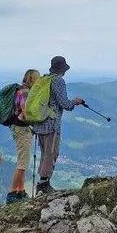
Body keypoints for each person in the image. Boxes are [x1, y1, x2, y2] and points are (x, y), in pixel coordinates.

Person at [31, 55, 84, 195]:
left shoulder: (44, 79)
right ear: (62, 69)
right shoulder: (58, 81)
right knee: (52, 153)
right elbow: (64, 103)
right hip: (51, 125)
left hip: (39, 124)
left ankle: (41, 183)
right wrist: (75, 102)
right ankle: (43, 185)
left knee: (44, 153)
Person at [6, 69, 39, 204]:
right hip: (22, 129)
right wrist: (36, 122)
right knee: (22, 162)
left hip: (18, 128)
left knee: (23, 161)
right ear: (33, 79)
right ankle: (13, 193)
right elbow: (26, 113)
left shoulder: (20, 90)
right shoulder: (25, 92)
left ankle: (20, 191)